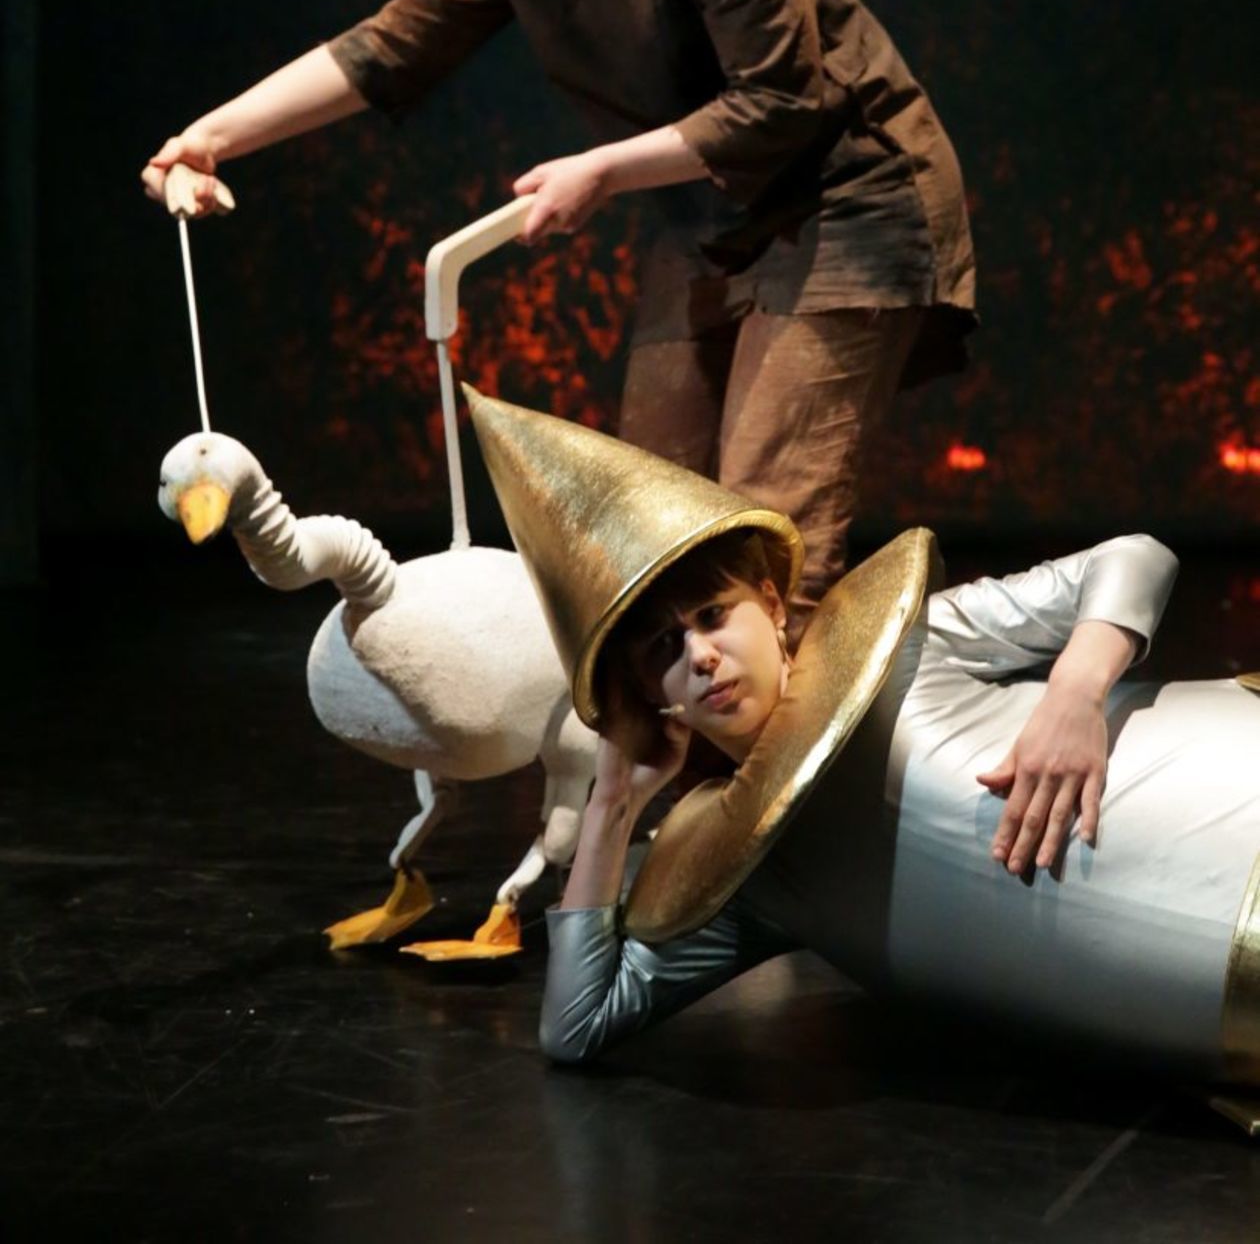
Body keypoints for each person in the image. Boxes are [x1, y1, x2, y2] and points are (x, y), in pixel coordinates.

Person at [141, 0, 976, 616]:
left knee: (765, 541)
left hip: (846, 203)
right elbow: (390, 45)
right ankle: (675, 719)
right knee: (650, 535)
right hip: (713, 224)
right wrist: (209, 139)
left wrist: (604, 169)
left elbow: (782, 100)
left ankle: (805, 710)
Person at [462, 386, 1260, 1093]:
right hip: (1225, 1006)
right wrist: (609, 805)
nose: (700, 656)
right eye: (665, 650)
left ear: (772, 605)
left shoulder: (905, 648)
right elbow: (577, 1025)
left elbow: (1133, 558)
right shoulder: (744, 868)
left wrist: (1075, 696)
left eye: (713, 616)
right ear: (650, 694)